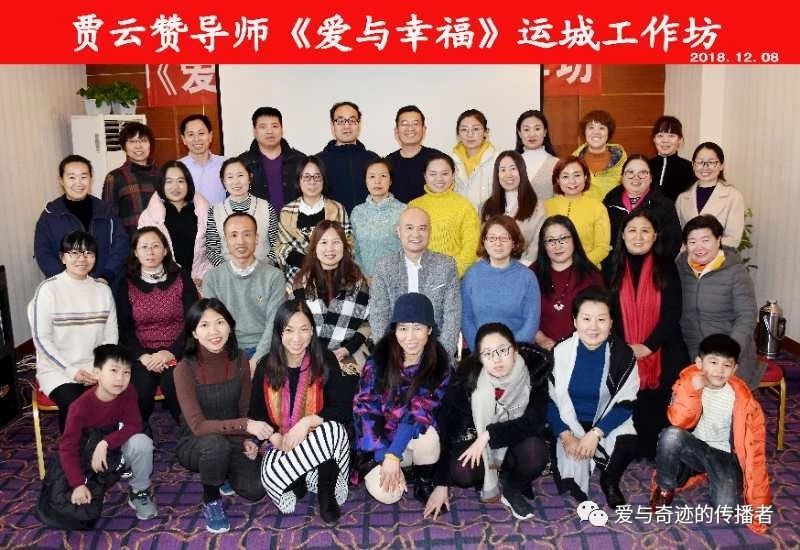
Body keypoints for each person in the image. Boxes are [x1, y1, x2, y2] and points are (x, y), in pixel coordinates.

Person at [424, 323, 550, 520]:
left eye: (503, 350)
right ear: (480, 358)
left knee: (536, 452)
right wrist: (441, 484)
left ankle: (512, 485)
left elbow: (534, 422)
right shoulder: (466, 379)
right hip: (478, 447)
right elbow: (448, 429)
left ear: (515, 351)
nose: (496, 359)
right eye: (488, 353)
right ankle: (492, 475)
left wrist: (488, 434)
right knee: (462, 472)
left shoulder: (535, 371)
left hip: (516, 442)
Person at [249, 301, 359, 523]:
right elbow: (256, 413)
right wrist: (274, 436)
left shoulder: (325, 359)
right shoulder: (265, 366)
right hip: (283, 444)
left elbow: (343, 408)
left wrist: (308, 422)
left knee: (333, 430)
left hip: (320, 441)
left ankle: (326, 491)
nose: (297, 338)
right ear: (279, 333)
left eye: (303, 329)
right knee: (275, 485)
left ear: (312, 332)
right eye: (289, 330)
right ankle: (303, 474)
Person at [650, 334, 771, 535]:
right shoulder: (688, 383)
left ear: (735, 369)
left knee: (726, 508)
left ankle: (704, 473)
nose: (719, 370)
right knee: (671, 435)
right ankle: (665, 488)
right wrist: (692, 391)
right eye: (713, 362)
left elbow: (756, 452)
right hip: (695, 447)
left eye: (726, 365)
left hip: (723, 456)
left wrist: (759, 507)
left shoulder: (744, 401)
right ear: (699, 363)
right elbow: (678, 421)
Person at [174, 299, 273, 533]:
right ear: (194, 333)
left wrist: (248, 438)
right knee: (216, 447)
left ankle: (222, 470)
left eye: (220, 322)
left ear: (230, 325)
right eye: (204, 325)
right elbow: (198, 426)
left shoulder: (240, 359)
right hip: (197, 441)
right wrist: (245, 425)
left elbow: (244, 407)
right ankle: (211, 499)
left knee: (255, 490)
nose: (214, 332)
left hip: (233, 436)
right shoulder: (184, 369)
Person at [353, 293, 452, 505]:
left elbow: (418, 413)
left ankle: (423, 480)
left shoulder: (440, 365)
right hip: (378, 444)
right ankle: (400, 471)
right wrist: (385, 455)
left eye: (418, 328)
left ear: (429, 330)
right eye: (403, 328)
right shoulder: (378, 361)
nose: (410, 337)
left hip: (409, 440)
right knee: (388, 495)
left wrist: (394, 454)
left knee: (429, 437)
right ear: (395, 330)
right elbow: (365, 409)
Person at [606, 211, 688, 460]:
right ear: (622, 235)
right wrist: (625, 346)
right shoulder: (610, 265)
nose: (638, 237)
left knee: (668, 383)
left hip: (661, 345)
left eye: (645, 231)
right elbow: (605, 312)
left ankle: (657, 446)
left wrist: (648, 346)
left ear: (655, 236)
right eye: (632, 230)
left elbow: (673, 312)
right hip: (622, 344)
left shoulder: (666, 266)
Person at [547, 287, 639, 507]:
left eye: (601, 319)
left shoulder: (623, 354)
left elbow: (626, 403)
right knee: (568, 476)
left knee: (628, 439)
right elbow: (549, 401)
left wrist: (596, 433)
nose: (594, 327)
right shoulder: (560, 352)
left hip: (604, 421)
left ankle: (610, 480)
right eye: (586, 319)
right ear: (575, 321)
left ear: (611, 323)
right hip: (569, 422)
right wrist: (566, 435)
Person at [28, 231, 118, 432]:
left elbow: (110, 337)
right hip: (59, 371)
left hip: (95, 368)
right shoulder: (48, 290)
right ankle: (74, 450)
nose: (82, 259)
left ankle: (106, 447)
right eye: (74, 253)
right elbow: (42, 340)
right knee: (77, 406)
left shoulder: (103, 291)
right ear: (62, 257)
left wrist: (102, 367)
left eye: (88, 253)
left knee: (116, 402)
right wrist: (72, 371)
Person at [58, 345, 157, 521]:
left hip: (115, 447)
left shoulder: (128, 391)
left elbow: (134, 425)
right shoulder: (79, 407)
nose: (120, 378)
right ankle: (95, 482)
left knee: (142, 442)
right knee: (79, 509)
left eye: (126, 372)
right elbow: (68, 448)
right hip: (89, 456)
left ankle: (139, 491)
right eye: (113, 370)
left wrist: (105, 443)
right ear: (97, 373)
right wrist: (78, 484)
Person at [116, 227, 199, 426]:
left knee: (174, 382)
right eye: (144, 247)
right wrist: (143, 356)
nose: (150, 252)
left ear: (165, 250)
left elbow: (193, 321)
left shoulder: (181, 277)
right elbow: (124, 330)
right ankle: (137, 431)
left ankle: (189, 431)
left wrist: (170, 352)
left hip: (178, 349)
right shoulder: (126, 283)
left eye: (155, 246)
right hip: (142, 353)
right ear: (135, 252)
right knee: (141, 388)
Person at [676, 215, 761, 388]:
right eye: (692, 242)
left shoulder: (735, 271)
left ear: (719, 240)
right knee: (685, 396)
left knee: (725, 399)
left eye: (705, 240)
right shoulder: (680, 267)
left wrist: (727, 354)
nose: (699, 247)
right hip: (693, 350)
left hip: (730, 352)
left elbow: (747, 316)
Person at [370, 207, 461, 357]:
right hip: (394, 353)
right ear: (398, 231)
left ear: (430, 232)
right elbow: (378, 315)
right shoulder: (384, 267)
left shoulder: (446, 265)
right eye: (409, 228)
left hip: (437, 352)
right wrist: (391, 356)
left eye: (422, 228)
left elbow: (453, 316)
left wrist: (440, 358)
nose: (416, 234)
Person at [203, 212, 285, 370]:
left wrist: (257, 359)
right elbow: (213, 325)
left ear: (256, 238)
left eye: (247, 234)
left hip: (266, 349)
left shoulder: (274, 276)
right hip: (227, 350)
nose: (240, 241)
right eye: (233, 235)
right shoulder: (212, 278)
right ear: (225, 241)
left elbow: (274, 323)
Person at [35, 155, 128, 285]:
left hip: (105, 284)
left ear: (91, 179)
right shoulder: (50, 214)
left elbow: (121, 244)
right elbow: (43, 253)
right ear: (61, 180)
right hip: (66, 289)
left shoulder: (106, 210)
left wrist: (106, 275)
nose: (78, 183)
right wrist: (68, 280)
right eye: (71, 177)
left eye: (83, 177)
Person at [292, 220, 371, 370]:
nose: (330, 248)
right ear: (314, 247)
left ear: (344, 246)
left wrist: (347, 349)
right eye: (323, 242)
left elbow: (367, 322)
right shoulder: (301, 282)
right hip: (310, 354)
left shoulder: (358, 282)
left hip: (350, 353)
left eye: (336, 242)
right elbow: (295, 324)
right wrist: (318, 352)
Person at [461, 216, 541, 352]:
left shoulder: (527, 277)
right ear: (484, 242)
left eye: (504, 238)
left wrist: (509, 352)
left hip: (517, 352)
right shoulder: (472, 275)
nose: (498, 243)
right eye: (492, 238)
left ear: (514, 242)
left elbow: (531, 322)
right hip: (479, 353)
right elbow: (466, 318)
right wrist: (481, 350)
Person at [531, 216, 605, 350]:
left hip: (583, 349)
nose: (557, 246)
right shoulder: (531, 274)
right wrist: (540, 338)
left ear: (574, 240)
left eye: (563, 238)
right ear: (543, 244)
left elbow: (602, 319)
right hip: (541, 351)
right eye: (551, 240)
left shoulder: (592, 276)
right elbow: (523, 314)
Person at [275, 156, 352, 282]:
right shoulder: (287, 212)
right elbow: (281, 248)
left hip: (333, 276)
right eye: (307, 177)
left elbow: (348, 244)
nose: (312, 182)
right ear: (299, 180)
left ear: (323, 180)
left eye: (317, 177)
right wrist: (309, 263)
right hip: (296, 276)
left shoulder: (337, 209)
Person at [138, 160, 212, 286]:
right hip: (164, 284)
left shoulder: (204, 211)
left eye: (180, 181)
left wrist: (208, 278)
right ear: (161, 184)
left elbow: (215, 248)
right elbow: (144, 254)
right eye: (169, 181)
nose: (175, 187)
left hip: (201, 282)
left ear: (188, 183)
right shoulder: (149, 216)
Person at [409, 153, 480, 277]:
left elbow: (471, 248)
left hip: (455, 278)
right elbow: (408, 245)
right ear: (425, 176)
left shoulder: (465, 206)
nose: (439, 179)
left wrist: (449, 275)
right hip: (420, 276)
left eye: (445, 173)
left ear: (453, 175)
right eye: (433, 174)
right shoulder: (414, 206)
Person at [603, 154, 682, 265]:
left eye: (643, 173)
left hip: (654, 269)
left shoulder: (664, 205)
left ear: (650, 178)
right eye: (630, 172)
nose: (636, 177)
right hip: (615, 267)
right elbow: (602, 240)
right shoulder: (610, 202)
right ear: (622, 177)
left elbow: (673, 243)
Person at [205, 158, 278, 267]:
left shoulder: (266, 207)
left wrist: (262, 269)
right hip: (228, 274)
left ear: (249, 177)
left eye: (240, 175)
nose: (236, 182)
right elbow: (212, 251)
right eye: (230, 177)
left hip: (264, 272)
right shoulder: (215, 211)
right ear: (224, 182)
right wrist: (231, 272)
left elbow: (277, 244)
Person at [481, 150, 547, 265]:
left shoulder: (537, 207)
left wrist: (521, 267)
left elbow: (537, 244)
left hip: (525, 267)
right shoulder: (486, 206)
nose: (508, 174)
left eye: (513, 168)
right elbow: (482, 242)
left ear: (522, 171)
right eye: (503, 170)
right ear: (497, 174)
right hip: (492, 267)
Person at [675, 142, 746, 248]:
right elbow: (678, 236)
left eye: (711, 162)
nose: (705, 167)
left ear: (721, 165)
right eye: (700, 162)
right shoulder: (682, 198)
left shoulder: (733, 196)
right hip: (688, 256)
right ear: (693, 165)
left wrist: (703, 251)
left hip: (720, 256)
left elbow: (733, 239)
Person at [544, 156, 611, 267]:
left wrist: (578, 266)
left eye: (577, 175)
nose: (572, 181)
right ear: (558, 180)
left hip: (586, 269)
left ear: (585, 177)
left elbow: (602, 248)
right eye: (565, 176)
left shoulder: (597, 207)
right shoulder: (546, 206)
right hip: (552, 269)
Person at [239, 106, 306, 212]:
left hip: (294, 221)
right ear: (254, 131)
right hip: (257, 222)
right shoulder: (243, 163)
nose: (270, 131)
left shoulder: (300, 160)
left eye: (275, 126)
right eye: (263, 127)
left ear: (282, 129)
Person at [317, 101, 380, 213]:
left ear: (359, 124)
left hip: (369, 223)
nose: (347, 126)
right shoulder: (318, 162)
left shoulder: (373, 159)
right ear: (332, 126)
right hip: (332, 223)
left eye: (352, 120)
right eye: (340, 121)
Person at [350, 158, 407, 278]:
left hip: (397, 278)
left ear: (390, 181)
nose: (377, 181)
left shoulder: (404, 210)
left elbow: (409, 249)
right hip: (364, 280)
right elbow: (354, 249)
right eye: (372, 176)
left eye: (383, 176)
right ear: (365, 180)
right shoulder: (357, 212)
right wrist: (365, 277)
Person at [102, 121, 160, 236]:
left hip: (162, 242)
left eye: (143, 141)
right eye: (132, 141)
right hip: (130, 243)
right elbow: (109, 219)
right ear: (124, 146)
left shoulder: (163, 175)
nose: (138, 146)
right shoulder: (114, 177)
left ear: (150, 144)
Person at [385, 105, 444, 203]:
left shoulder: (437, 159)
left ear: (424, 129)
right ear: (396, 130)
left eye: (415, 123)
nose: (410, 128)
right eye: (404, 124)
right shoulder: (387, 163)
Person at [572, 110, 627, 202]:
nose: (596, 132)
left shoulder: (622, 160)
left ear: (608, 132)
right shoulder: (573, 161)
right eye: (591, 127)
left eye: (601, 128)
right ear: (584, 132)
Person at [452, 109, 498, 211]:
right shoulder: (449, 162)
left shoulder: (498, 160)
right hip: (461, 218)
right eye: (464, 130)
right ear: (458, 134)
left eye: (476, 129)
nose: (470, 134)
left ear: (486, 132)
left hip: (489, 218)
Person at [178, 114, 226, 205]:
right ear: (184, 139)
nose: (196, 139)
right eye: (191, 134)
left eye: (201, 133)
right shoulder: (177, 168)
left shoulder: (225, 164)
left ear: (210, 136)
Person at [648, 115, 695, 202]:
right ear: (654, 139)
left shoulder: (689, 168)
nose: (665, 140)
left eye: (671, 136)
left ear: (680, 140)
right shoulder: (645, 166)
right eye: (660, 135)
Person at [515, 109, 559, 201]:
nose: (532, 134)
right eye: (526, 129)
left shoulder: (556, 164)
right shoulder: (511, 163)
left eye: (537, 129)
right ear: (519, 133)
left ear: (545, 132)